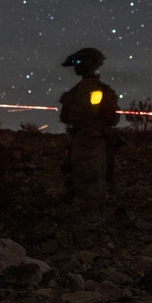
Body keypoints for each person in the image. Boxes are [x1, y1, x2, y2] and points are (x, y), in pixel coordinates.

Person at [58, 47, 120, 228]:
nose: (76, 67)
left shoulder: (91, 88)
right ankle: (93, 216)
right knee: (82, 174)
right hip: (84, 136)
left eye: (80, 62)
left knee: (89, 175)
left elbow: (86, 112)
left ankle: (93, 219)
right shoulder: (87, 87)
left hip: (89, 137)